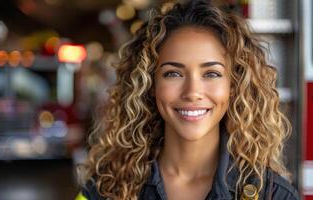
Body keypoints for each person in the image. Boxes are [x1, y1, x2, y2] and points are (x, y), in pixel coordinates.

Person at [75, 0, 301, 199]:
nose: (192, 92)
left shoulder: (273, 195)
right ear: (150, 85)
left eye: (211, 74)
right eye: (173, 73)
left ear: (234, 85)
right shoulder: (104, 189)